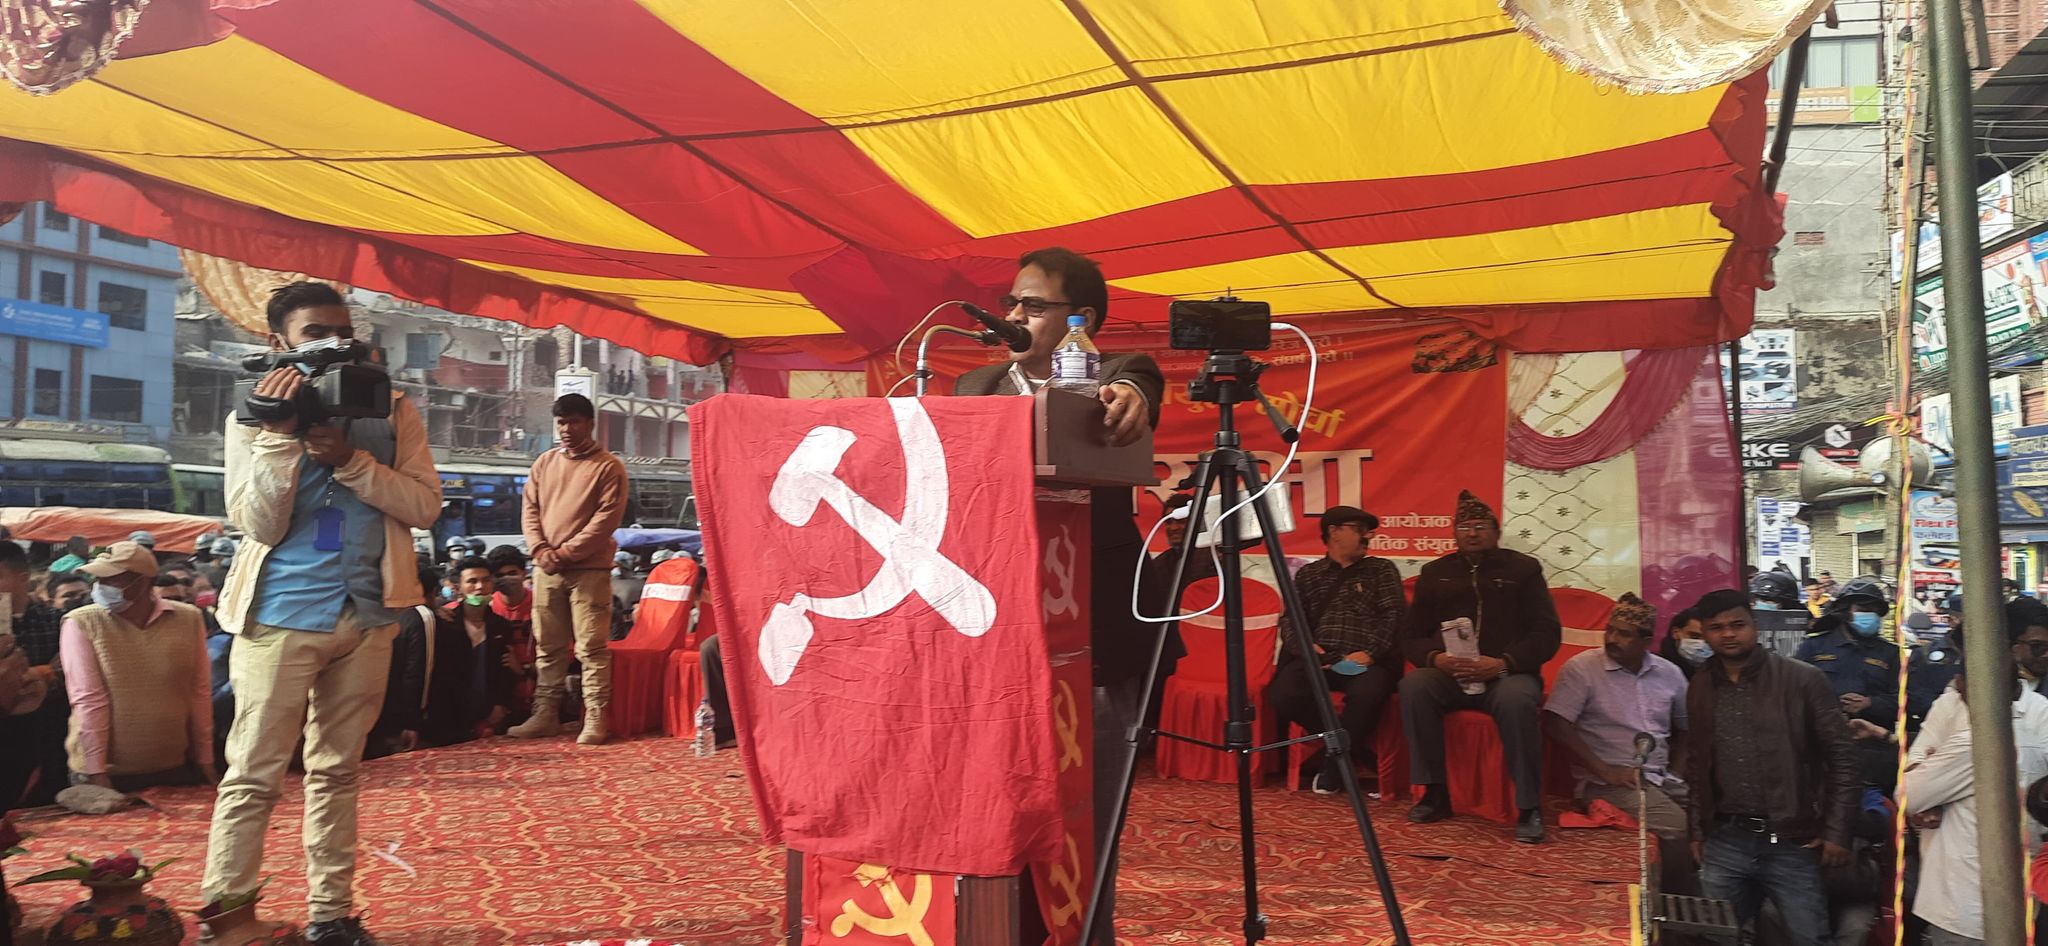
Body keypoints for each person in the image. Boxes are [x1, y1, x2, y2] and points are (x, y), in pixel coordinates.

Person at [201, 281, 441, 946]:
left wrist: (352, 461)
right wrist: (280, 438)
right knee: (254, 773)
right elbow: (256, 523)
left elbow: (424, 506)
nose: (334, 343)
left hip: (367, 617)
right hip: (277, 619)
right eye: (314, 333)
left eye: (342, 331)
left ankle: (331, 915)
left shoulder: (391, 407)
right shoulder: (251, 415)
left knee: (337, 771)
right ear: (276, 341)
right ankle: (227, 918)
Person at [950, 247, 1163, 943]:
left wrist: (1130, 396)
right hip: (995, 640)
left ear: (1082, 319)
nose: (1015, 315)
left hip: (1091, 638)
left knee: (1084, 822)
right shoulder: (973, 386)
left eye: (1034, 305)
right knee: (997, 813)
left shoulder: (1115, 375)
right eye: (1012, 303)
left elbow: (1135, 388)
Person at [1684, 588, 1858, 946]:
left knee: (1809, 939)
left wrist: (1837, 831)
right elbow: (1698, 763)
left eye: (1737, 625)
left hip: (1793, 841)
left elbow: (1843, 757)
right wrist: (1698, 830)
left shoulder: (1802, 679)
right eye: (1716, 628)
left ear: (1755, 625)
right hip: (1726, 838)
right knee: (1716, 938)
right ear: (1705, 633)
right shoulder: (1700, 684)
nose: (1728, 634)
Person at [1398, 490, 1561, 842]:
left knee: (1517, 700)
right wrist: (1436, 659)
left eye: (1481, 526)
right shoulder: (1435, 573)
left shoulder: (1523, 569)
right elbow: (1411, 636)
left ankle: (1529, 807)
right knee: (1414, 686)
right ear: (1454, 533)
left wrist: (1503, 663)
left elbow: (1547, 633)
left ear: (1496, 532)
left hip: (1505, 674)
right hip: (1450, 674)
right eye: (1464, 527)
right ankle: (1435, 794)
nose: (1472, 533)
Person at [508, 394, 628, 746]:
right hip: (546, 569)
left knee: (590, 647)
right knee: (548, 646)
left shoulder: (608, 467)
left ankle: (595, 716)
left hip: (590, 570)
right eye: (561, 422)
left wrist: (563, 553)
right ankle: (545, 714)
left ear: (590, 423)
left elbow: (605, 521)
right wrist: (539, 550)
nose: (566, 429)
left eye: (574, 421)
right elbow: (529, 511)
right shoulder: (543, 463)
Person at [1905, 651, 2048, 946]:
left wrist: (1933, 771)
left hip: (1964, 903)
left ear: (1962, 686)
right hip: (2020, 898)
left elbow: (1909, 794)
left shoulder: (1972, 743)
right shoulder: (2028, 735)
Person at [1543, 594, 1692, 873]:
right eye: (1610, 630)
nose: (1612, 639)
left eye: (1624, 634)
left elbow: (1686, 730)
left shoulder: (1670, 674)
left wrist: (1677, 773)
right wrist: (1606, 771)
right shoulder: (1582, 669)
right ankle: (1680, 893)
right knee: (1676, 826)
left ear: (1646, 641)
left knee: (1713, 816)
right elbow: (1555, 723)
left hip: (1662, 778)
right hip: (1608, 783)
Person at [1267, 506, 1406, 794]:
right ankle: (1347, 748)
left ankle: (1334, 764)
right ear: (1334, 532)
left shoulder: (1381, 570)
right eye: (1359, 529)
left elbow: (1395, 617)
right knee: (1283, 692)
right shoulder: (1309, 574)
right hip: (1320, 658)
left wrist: (1371, 653)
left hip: (1363, 661)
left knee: (1368, 693)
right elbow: (1291, 621)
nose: (1367, 537)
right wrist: (1307, 649)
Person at [60, 542, 215, 792]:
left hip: (171, 764)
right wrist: (96, 771)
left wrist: (205, 758)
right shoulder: (81, 623)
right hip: (107, 772)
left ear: (141, 582)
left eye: (110, 580)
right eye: (98, 580)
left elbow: (199, 692)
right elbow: (88, 699)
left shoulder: (189, 618)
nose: (100, 586)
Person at [1794, 577, 1900, 791]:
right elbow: (1793, 694)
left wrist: (1871, 703)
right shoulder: (1814, 646)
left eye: (1875, 611)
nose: (1870, 615)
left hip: (1873, 754)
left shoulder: (1890, 653)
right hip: (1820, 750)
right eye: (1863, 609)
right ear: (1845, 611)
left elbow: (1906, 702)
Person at [422, 557, 523, 745]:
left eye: (485, 580)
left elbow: (505, 670)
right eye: (472, 581)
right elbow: (443, 676)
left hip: (492, 718)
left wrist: (500, 705)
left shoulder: (501, 625)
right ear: (458, 587)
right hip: (450, 718)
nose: (480, 587)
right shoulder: (445, 624)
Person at [0, 542, 66, 808]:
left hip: (48, 734)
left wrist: (45, 675)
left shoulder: (56, 620)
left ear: (23, 578)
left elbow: (73, 670)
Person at [1658, 607, 1710, 678]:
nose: (1702, 644)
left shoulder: (1718, 671)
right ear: (1675, 633)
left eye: (1707, 639)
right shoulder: (1655, 670)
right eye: (1694, 637)